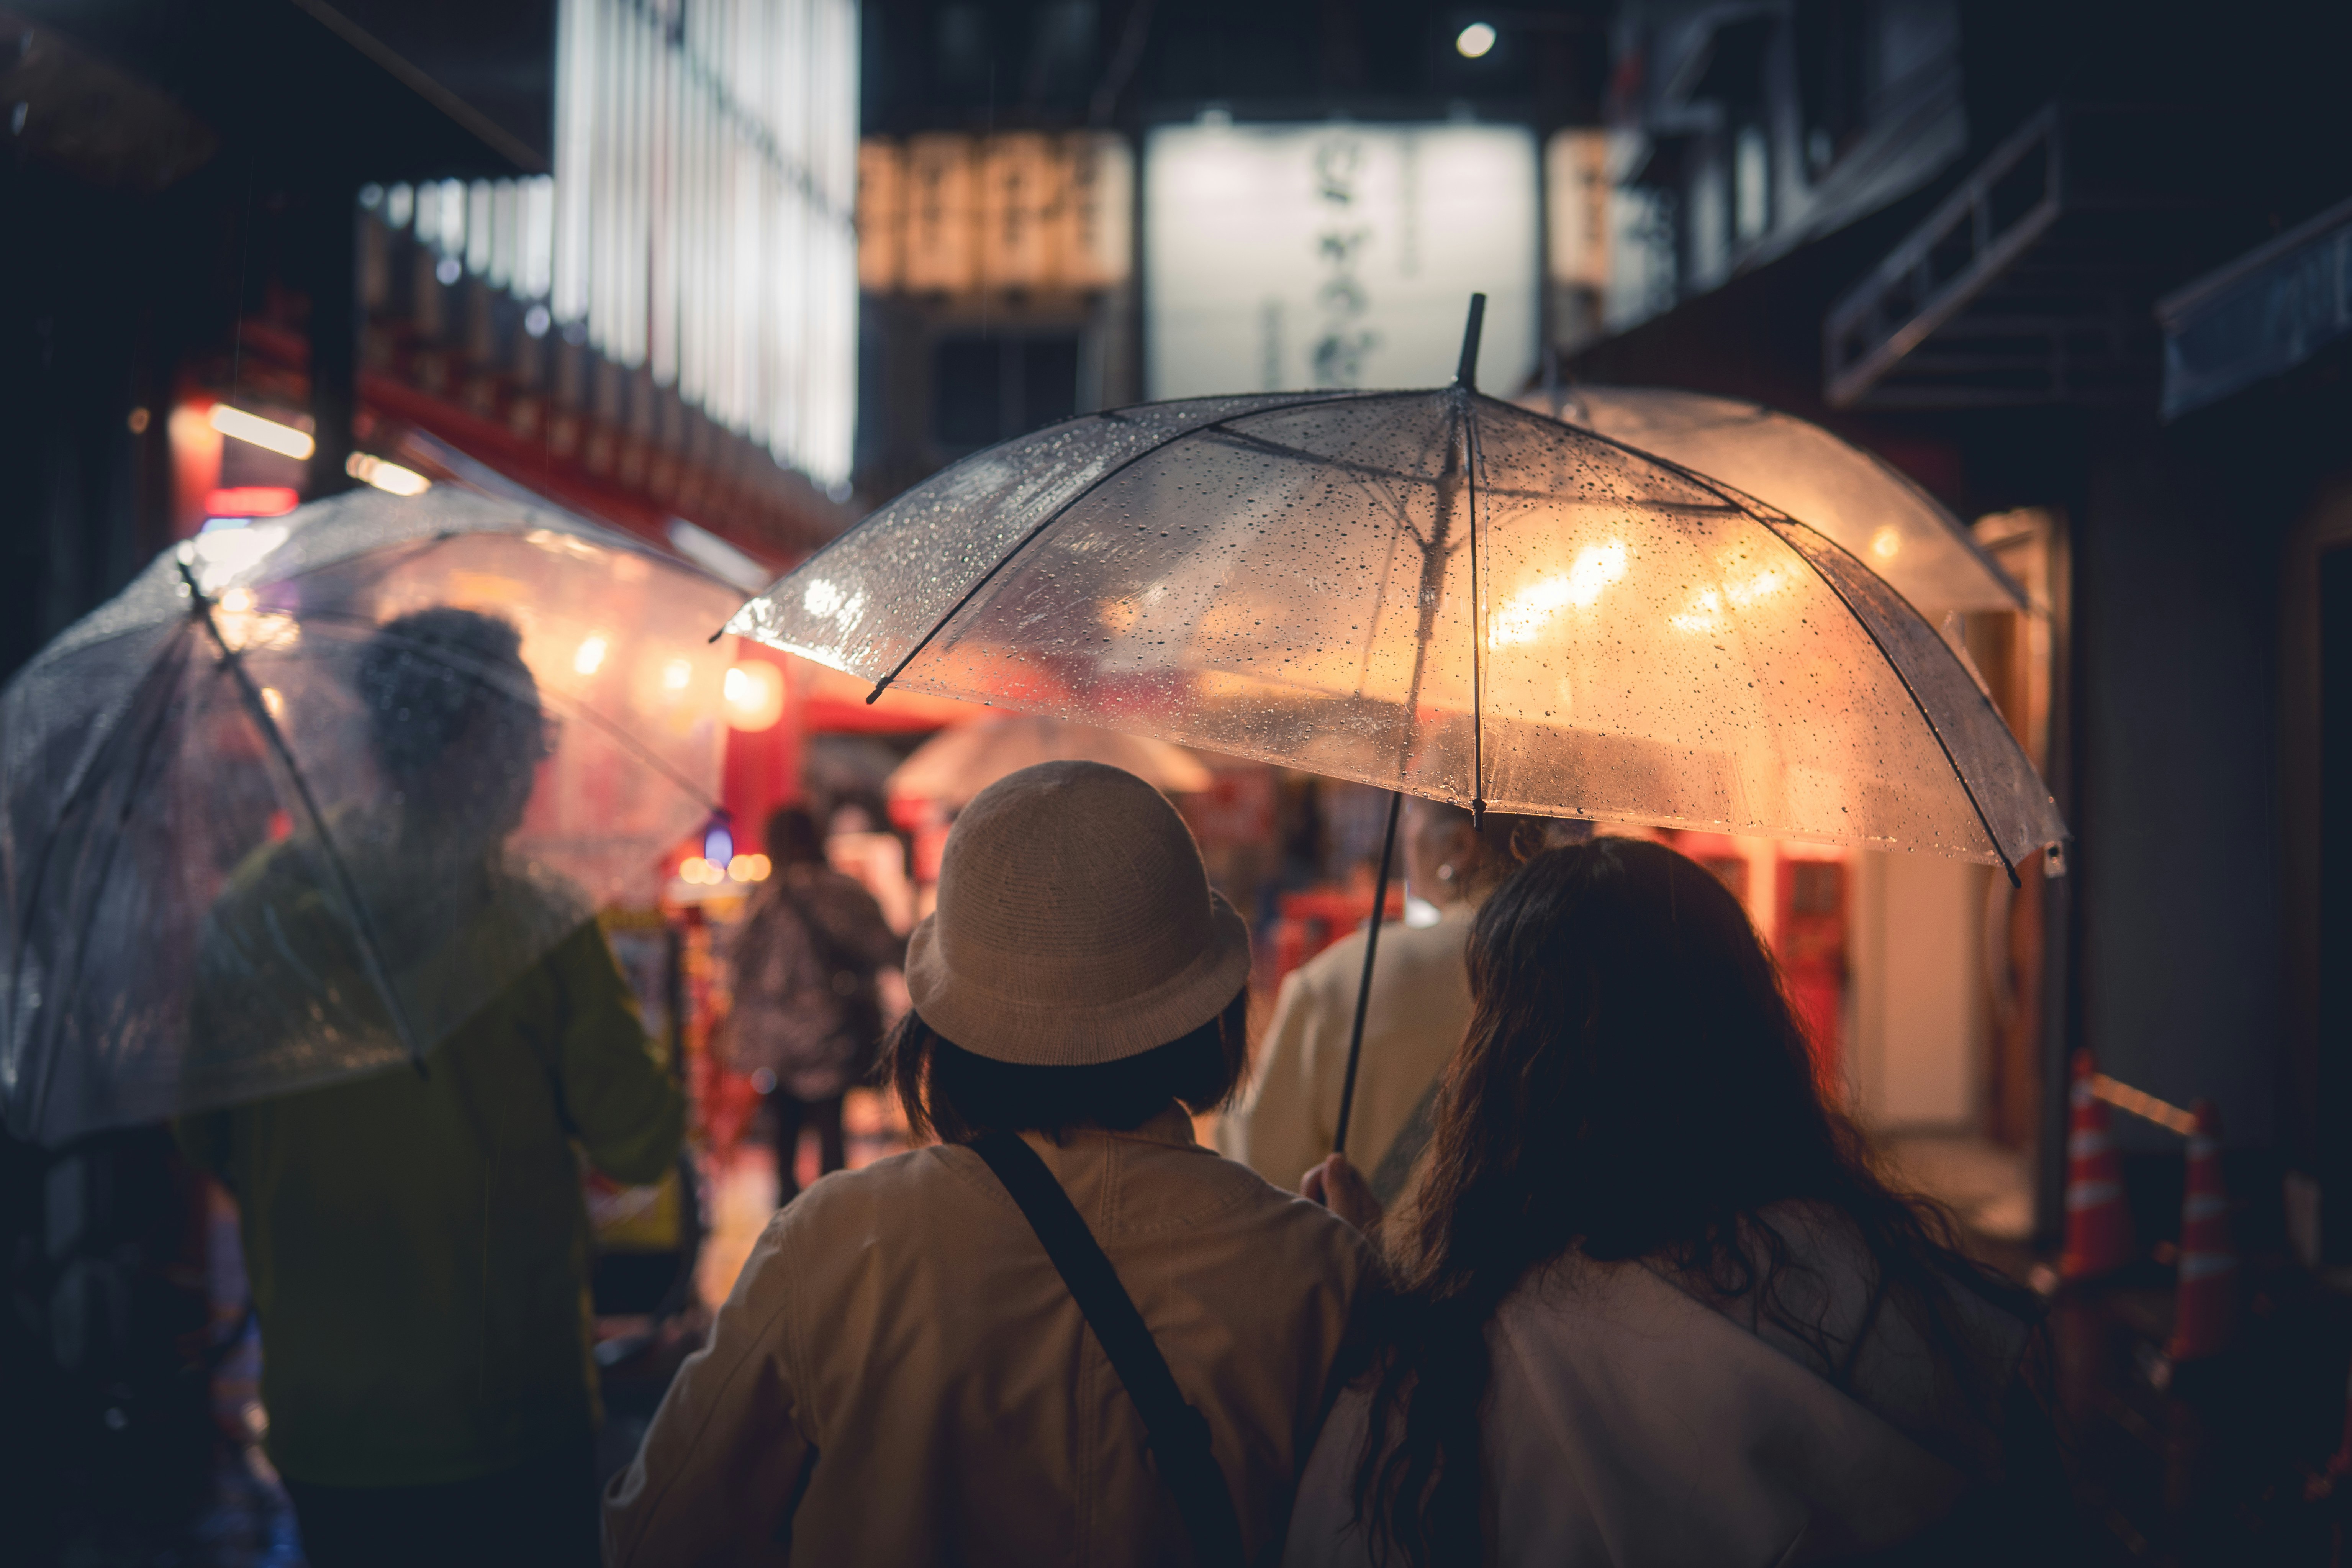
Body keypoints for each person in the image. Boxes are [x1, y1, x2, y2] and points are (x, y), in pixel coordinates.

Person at [606, 760, 1370, 1565]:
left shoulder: (831, 1244)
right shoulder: (1321, 1270)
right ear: (1204, 1010)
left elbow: (655, 1537)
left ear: (943, 1021)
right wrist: (1382, 1292)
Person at [1285, 838, 2065, 1567]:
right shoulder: (1910, 1296)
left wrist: (1385, 1302)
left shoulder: (1460, 1353)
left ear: (1512, 1070)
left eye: (1482, 1019)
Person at [177, 608, 685, 1568]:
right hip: (512, 1408)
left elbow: (205, 1133)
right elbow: (641, 1140)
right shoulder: (536, 919)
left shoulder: (255, 912)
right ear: (471, 741)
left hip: (327, 1413)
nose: (535, 765)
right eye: (525, 737)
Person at [1216, 798, 1552, 1207]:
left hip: (1378, 1265)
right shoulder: (1583, 967)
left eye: (1411, 818)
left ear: (1459, 846)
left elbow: (1258, 1175)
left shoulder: (1340, 982)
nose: (1405, 837)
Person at [725, 804, 904, 1198]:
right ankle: (831, 1213)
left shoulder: (762, 898)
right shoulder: (841, 892)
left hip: (777, 1041)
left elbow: (736, 964)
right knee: (830, 1128)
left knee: (783, 1131)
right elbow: (884, 948)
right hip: (831, 1031)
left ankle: (786, 1218)